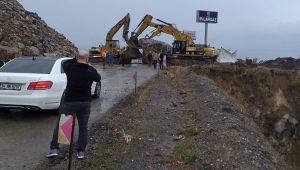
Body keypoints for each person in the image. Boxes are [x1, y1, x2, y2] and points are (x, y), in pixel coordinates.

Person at [46, 50, 101, 159]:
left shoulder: (70, 68)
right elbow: (98, 78)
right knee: (83, 127)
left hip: (69, 102)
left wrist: (76, 58)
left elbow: (64, 63)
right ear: (87, 58)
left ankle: (55, 149)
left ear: (76, 58)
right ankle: (81, 152)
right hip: (85, 103)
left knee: (64, 125)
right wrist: (88, 64)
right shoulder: (91, 70)